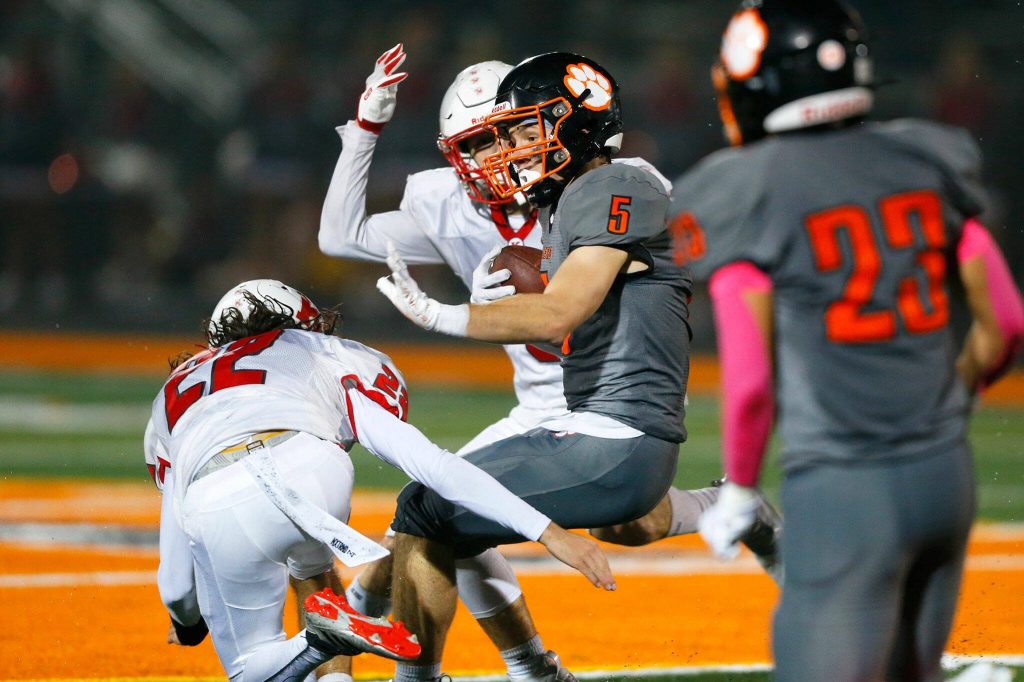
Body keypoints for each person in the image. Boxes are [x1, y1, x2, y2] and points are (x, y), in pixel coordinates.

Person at [319, 46, 771, 679]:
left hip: (610, 403)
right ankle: (501, 659)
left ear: (562, 126)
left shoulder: (615, 184)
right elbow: (340, 238)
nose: (498, 154)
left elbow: (565, 307)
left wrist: (444, 314)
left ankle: (419, 652)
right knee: (471, 514)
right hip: (550, 404)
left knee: (437, 513)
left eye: (515, 134)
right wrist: (364, 129)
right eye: (484, 141)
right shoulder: (503, 196)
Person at [673, 1, 1024, 680]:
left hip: (844, 485)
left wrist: (741, 489)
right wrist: (952, 399)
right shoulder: (926, 153)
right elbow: (1006, 321)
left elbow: (749, 382)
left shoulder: (744, 187)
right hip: (945, 476)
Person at [144, 278, 613, 682]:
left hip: (214, 490)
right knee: (312, 556)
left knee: (253, 667)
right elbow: (433, 465)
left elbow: (177, 586)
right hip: (312, 468)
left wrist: (187, 622)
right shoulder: (324, 351)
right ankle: (332, 635)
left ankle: (318, 640)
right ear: (304, 321)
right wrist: (546, 530)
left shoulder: (172, 395)